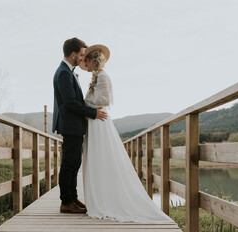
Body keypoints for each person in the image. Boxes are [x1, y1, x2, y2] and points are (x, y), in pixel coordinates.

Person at [80, 44, 174, 223]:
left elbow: (105, 99)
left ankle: (108, 201)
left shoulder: (103, 76)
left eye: (86, 61)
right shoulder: (97, 77)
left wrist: (85, 104)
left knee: (102, 157)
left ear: (93, 60)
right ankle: (98, 198)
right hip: (94, 122)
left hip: (99, 121)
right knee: (95, 159)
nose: (85, 65)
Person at [52, 38, 108, 214]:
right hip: (70, 125)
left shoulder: (68, 71)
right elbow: (70, 103)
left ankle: (72, 197)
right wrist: (93, 113)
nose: (83, 58)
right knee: (69, 164)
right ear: (73, 54)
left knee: (74, 163)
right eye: (82, 54)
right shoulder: (63, 73)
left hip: (73, 125)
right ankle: (66, 202)